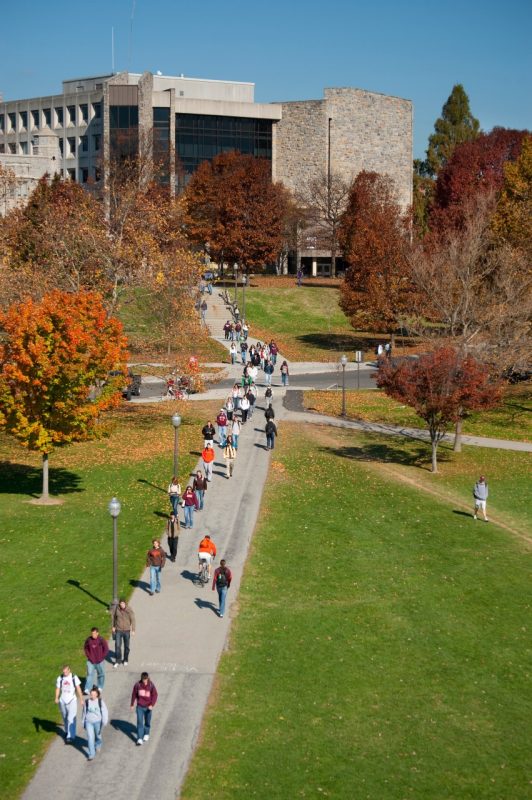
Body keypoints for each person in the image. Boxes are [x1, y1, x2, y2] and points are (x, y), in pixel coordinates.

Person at [55, 665, 83, 743]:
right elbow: (58, 688)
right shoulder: (60, 678)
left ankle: (70, 736)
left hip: (72, 700)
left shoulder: (74, 677)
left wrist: (81, 699)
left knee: (71, 718)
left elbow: (78, 688)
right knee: (65, 717)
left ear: (69, 670)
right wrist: (56, 698)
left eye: (66, 671)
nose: (65, 673)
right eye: (64, 672)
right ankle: (67, 731)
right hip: (62, 700)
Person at [131, 672, 158, 746]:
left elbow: (155, 695)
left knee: (147, 721)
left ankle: (146, 733)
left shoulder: (151, 685)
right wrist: (132, 704)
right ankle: (139, 738)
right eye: (143, 680)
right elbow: (134, 694)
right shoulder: (137, 685)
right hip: (140, 706)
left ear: (148, 678)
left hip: (148, 707)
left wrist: (152, 705)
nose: (145, 681)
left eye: (146, 679)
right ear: (141, 679)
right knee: (140, 722)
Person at [82, 687, 108, 761]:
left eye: (94, 694)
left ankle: (98, 744)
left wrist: (104, 721)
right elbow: (84, 712)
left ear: (97, 695)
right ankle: (91, 754)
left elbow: (105, 712)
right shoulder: (87, 702)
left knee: (98, 736)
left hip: (98, 722)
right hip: (88, 722)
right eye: (91, 694)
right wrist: (83, 722)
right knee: (90, 737)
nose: (92, 696)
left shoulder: (100, 702)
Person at [112, 599, 136, 667]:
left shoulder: (129, 610)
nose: (122, 605)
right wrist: (113, 626)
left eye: (123, 603)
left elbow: (133, 619)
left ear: (125, 604)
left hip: (126, 631)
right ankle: (118, 660)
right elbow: (114, 618)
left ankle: (125, 660)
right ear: (119, 604)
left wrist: (133, 630)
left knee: (126, 646)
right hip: (118, 630)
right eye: (121, 603)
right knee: (117, 646)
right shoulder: (117, 609)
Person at [84, 627, 109, 692]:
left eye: (94, 633)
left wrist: (102, 657)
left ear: (97, 633)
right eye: (92, 633)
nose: (93, 635)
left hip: (99, 661)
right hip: (91, 661)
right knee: (89, 674)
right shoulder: (88, 640)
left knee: (101, 674)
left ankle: (100, 686)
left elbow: (106, 649)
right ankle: (87, 688)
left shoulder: (101, 639)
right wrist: (89, 656)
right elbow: (85, 648)